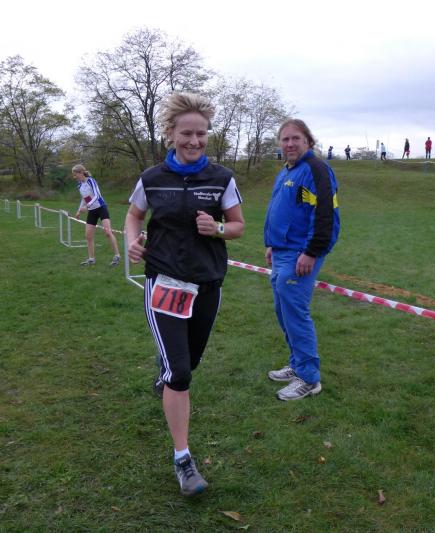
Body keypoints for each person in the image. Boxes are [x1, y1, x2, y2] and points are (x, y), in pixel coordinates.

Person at [125, 92, 245, 497]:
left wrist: (219, 229)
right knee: (180, 373)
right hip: (165, 283)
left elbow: (238, 225)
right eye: (186, 133)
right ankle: (183, 459)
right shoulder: (152, 178)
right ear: (170, 133)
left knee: (189, 362)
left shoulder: (222, 178)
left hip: (207, 283)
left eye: (201, 134)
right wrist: (132, 241)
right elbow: (134, 215)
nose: (194, 141)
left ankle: (167, 372)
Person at [264, 118, 340, 401]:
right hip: (281, 251)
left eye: (296, 138)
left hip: (301, 254)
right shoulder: (286, 171)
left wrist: (312, 251)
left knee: (295, 314)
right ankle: (297, 364)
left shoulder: (316, 169)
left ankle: (309, 378)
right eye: (285, 139)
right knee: (283, 311)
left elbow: (325, 215)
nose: (290, 144)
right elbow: (282, 210)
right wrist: (271, 244)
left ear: (308, 140)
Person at [71, 164, 121, 266]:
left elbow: (97, 195)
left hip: (101, 208)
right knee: (88, 236)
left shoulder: (91, 181)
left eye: (75, 174)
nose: (74, 177)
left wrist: (87, 206)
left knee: (108, 232)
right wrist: (79, 211)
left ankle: (117, 256)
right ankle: (91, 259)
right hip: (92, 211)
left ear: (81, 173)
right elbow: (84, 198)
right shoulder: (79, 185)